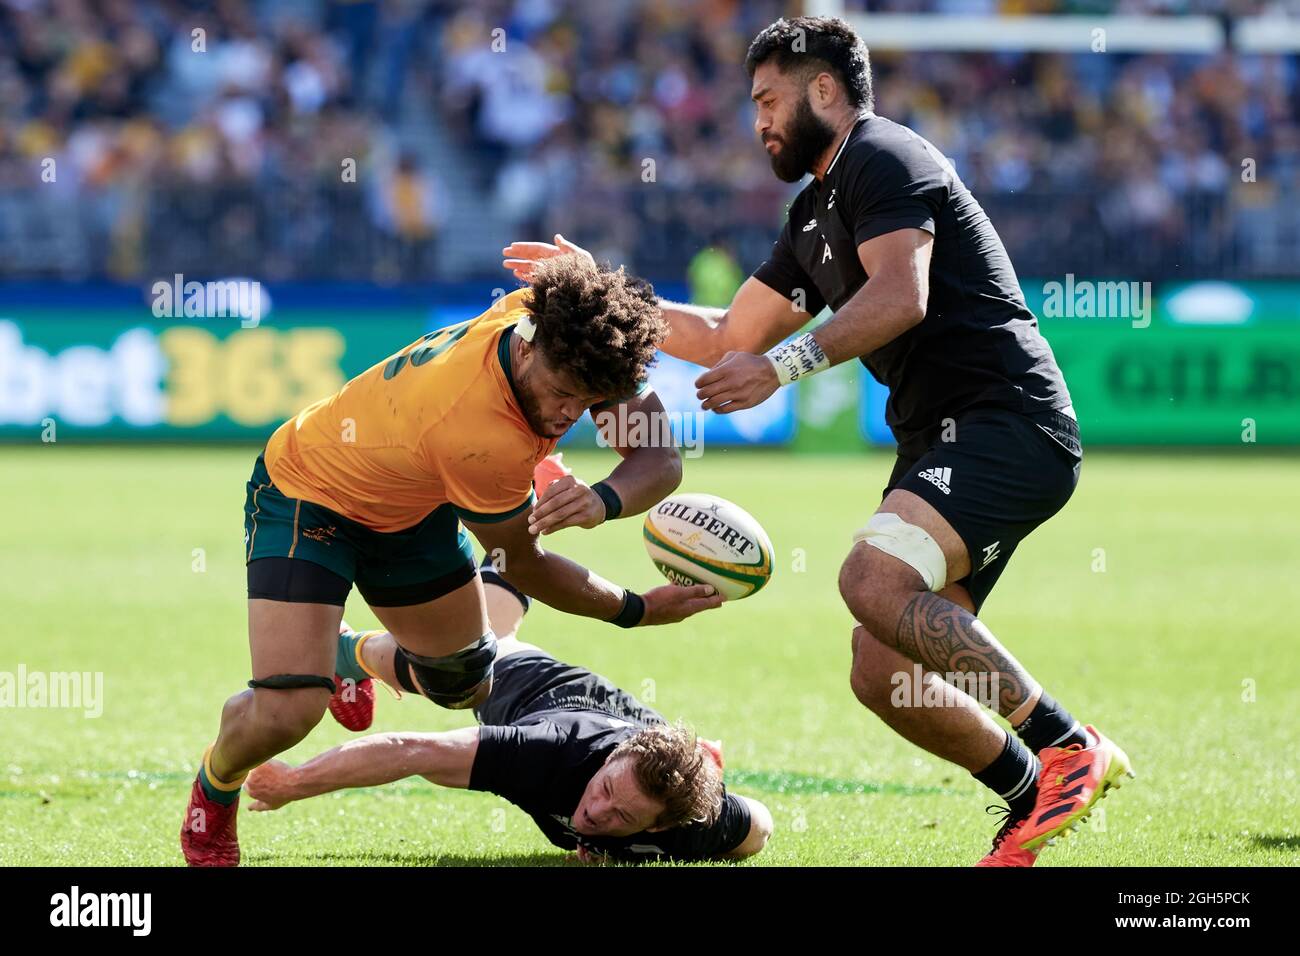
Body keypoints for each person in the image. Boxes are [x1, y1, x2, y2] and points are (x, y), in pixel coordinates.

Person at [503, 16, 1133, 867]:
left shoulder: (885, 155)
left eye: (768, 99)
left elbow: (900, 295)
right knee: (882, 674)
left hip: (1008, 421)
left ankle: (1064, 749)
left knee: (869, 579)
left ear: (825, 91)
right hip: (943, 441)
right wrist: (596, 288)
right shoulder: (813, 213)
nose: (757, 119)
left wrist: (784, 366)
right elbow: (731, 332)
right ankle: (1036, 791)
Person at [181, 254, 723, 866]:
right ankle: (214, 789)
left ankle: (348, 654)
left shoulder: (570, 331)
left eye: (591, 399)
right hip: (311, 495)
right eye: (564, 394)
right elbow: (524, 564)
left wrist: (602, 500)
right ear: (527, 352)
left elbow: (660, 459)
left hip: (411, 505)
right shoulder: (478, 434)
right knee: (287, 712)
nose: (573, 413)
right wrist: (636, 609)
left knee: (465, 684)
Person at [243, 562, 773, 863]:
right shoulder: (548, 751)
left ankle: (518, 527)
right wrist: (294, 783)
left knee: (497, 622)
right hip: (540, 693)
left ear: (658, 828)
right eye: (607, 790)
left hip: (638, 731)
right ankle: (348, 652)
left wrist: (621, 852)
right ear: (611, 761)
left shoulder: (692, 825)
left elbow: (759, 830)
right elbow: (412, 751)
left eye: (625, 818)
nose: (598, 813)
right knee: (458, 667)